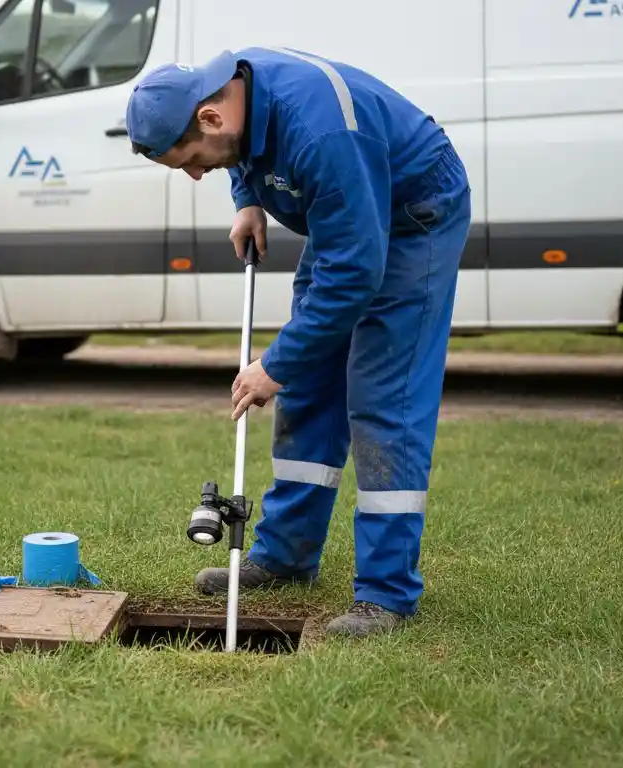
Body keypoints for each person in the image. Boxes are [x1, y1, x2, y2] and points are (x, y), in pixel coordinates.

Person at [125, 47, 472, 638]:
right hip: (348, 216)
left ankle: (385, 595)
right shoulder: (235, 94)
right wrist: (249, 199)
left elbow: (356, 273)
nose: (194, 174)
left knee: (383, 399)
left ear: (209, 118)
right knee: (309, 386)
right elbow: (246, 151)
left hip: (415, 216)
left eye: (190, 160)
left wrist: (273, 365)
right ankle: (286, 555)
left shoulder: (321, 132)